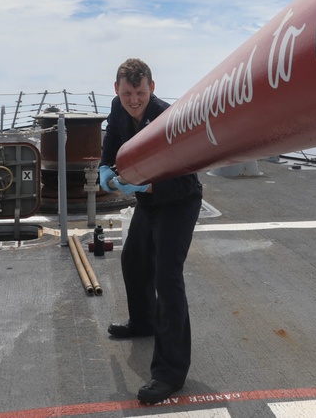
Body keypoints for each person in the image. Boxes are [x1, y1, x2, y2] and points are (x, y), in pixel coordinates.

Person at [98, 58, 203, 404]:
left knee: (167, 278)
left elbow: (187, 182)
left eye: (140, 93)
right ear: (117, 90)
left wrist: (144, 189)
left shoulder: (168, 120)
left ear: (152, 88)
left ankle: (171, 372)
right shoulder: (118, 107)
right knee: (134, 260)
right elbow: (113, 139)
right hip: (148, 200)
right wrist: (103, 167)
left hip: (177, 201)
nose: (133, 100)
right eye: (127, 93)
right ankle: (143, 323)